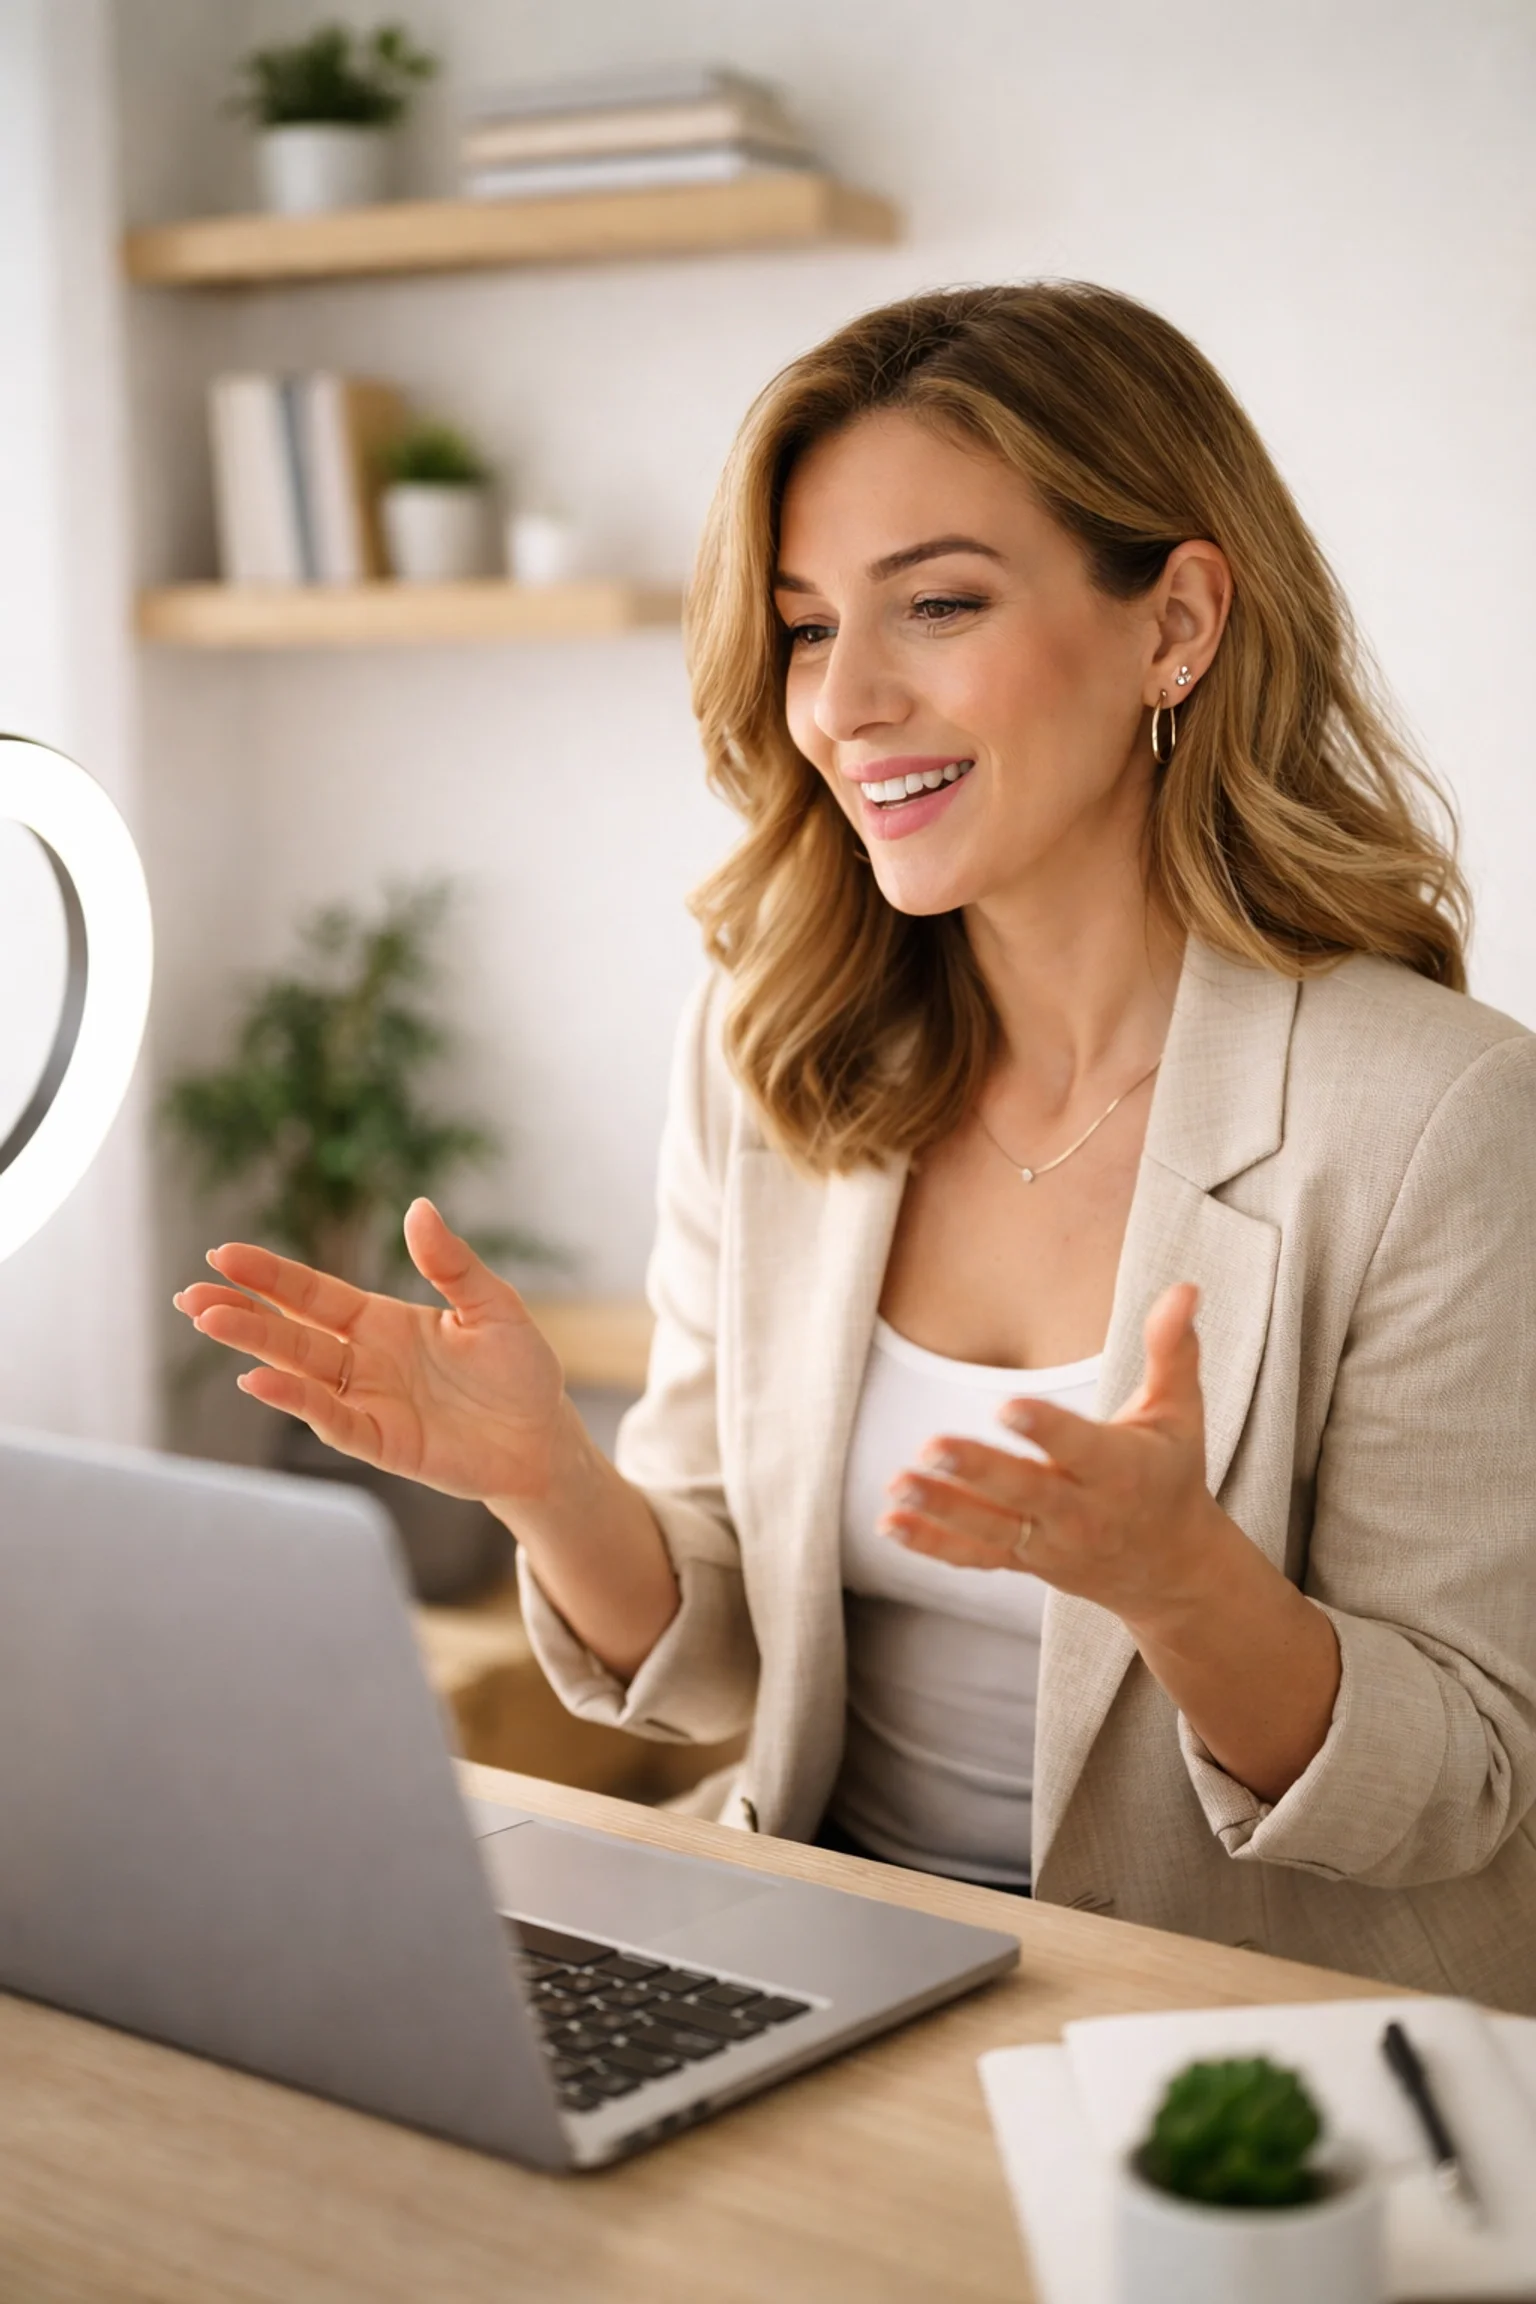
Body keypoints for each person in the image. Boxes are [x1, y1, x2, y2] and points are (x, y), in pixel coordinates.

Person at [176, 283, 1536, 2014]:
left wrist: (1186, 1590)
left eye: (940, 605)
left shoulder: (1439, 1117)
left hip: (1235, 2041)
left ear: (1176, 621)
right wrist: (549, 1482)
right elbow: (723, 1657)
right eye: (808, 629)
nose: (847, 703)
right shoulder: (773, 1047)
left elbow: (1467, 1781)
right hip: (825, 1959)